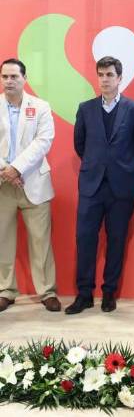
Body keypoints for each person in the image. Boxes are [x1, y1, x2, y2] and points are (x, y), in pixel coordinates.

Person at [65, 56, 134, 314]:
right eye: (101, 74)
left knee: (117, 240)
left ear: (119, 78)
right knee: (85, 239)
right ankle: (84, 294)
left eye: (110, 75)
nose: (104, 79)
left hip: (121, 187)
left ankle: (109, 292)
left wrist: (120, 166)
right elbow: (80, 144)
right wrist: (97, 165)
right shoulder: (86, 109)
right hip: (92, 185)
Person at [0, 58, 60, 312]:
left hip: (34, 181)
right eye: (5, 77)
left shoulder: (41, 107)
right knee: (2, 239)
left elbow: (43, 141)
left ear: (25, 79)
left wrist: (17, 168)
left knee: (40, 241)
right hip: (2, 183)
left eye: (14, 76)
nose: (9, 81)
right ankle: (5, 290)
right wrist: (6, 170)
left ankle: (47, 292)